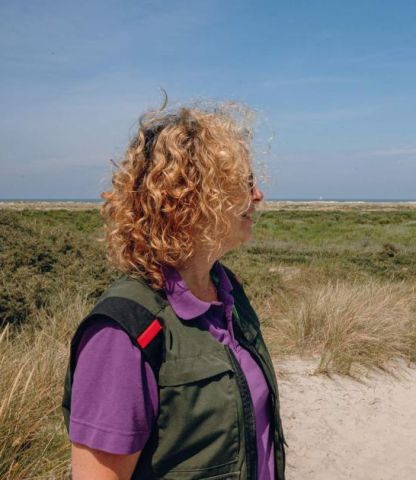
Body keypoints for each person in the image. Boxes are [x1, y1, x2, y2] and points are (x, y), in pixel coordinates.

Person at [61, 101, 285, 479]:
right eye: (245, 182)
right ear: (191, 195)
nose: (259, 195)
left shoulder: (231, 297)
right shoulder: (123, 331)